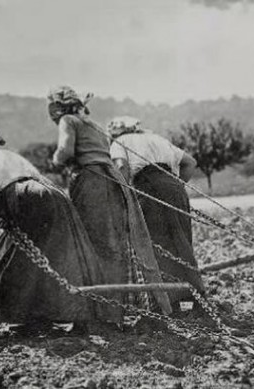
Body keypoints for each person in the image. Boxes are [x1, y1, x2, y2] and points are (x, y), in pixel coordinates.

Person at [0, 121, 116, 333]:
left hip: (24, 194)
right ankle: (76, 316)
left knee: (13, 250)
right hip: (54, 194)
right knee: (64, 254)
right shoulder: (11, 155)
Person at [47, 86, 172, 315]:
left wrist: (53, 162)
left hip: (91, 181)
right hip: (112, 181)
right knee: (113, 244)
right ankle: (117, 310)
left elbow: (64, 151)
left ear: (58, 108)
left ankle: (102, 311)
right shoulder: (94, 125)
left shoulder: (68, 120)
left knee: (93, 243)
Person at [108, 117, 205, 308]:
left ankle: (164, 302)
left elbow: (121, 166)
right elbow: (190, 163)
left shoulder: (120, 142)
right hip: (175, 188)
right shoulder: (156, 138)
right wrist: (174, 186)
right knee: (181, 240)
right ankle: (194, 296)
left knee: (155, 244)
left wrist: (127, 194)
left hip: (147, 188)